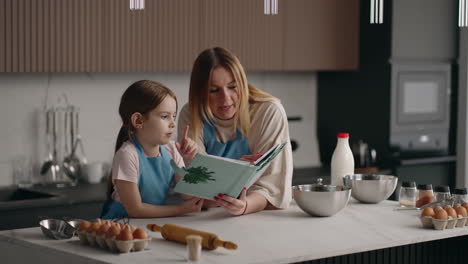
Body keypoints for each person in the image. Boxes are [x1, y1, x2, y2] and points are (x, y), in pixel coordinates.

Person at [178, 47, 293, 216]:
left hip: (257, 215)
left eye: (232, 86)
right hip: (206, 217)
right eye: (214, 90)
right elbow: (198, 192)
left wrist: (245, 205)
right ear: (200, 93)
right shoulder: (191, 113)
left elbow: (273, 187)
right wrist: (239, 170)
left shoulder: (268, 112)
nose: (225, 98)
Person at [101, 80, 203, 219]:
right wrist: (181, 209)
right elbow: (136, 210)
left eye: (173, 116)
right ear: (138, 121)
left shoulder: (172, 150)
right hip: (120, 226)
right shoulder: (127, 155)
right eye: (164, 116)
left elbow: (189, 195)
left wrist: (189, 161)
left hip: (149, 224)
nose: (173, 124)